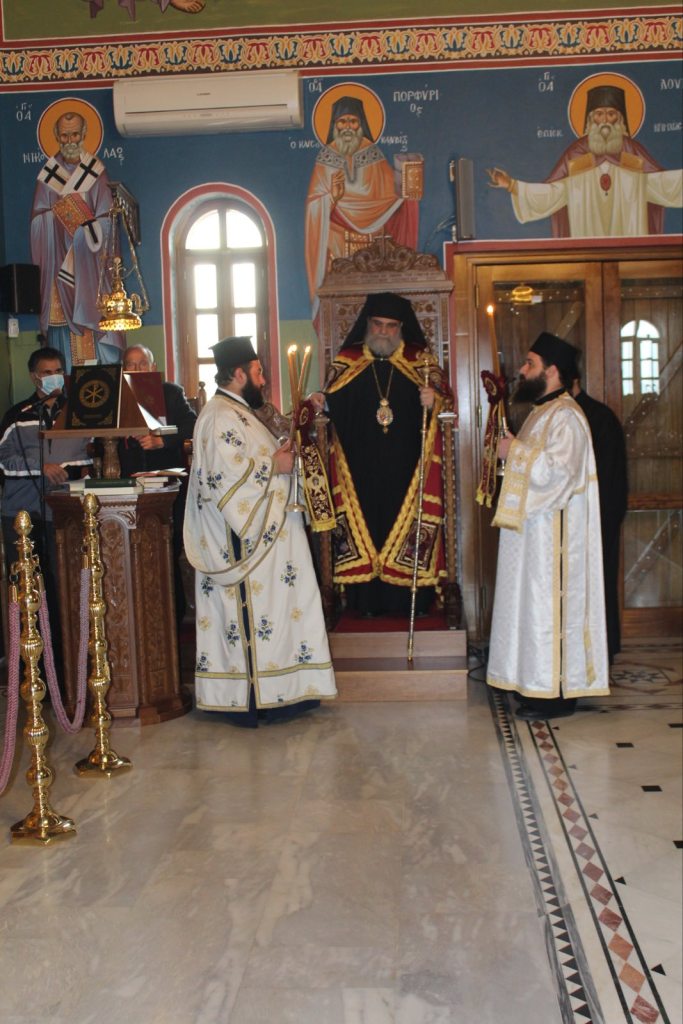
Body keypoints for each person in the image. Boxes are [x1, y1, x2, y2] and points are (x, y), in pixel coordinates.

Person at [183, 336, 337, 726]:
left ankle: (287, 690)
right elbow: (224, 480)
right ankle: (258, 697)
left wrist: (281, 452)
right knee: (260, 615)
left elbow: (250, 458)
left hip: (270, 541)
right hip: (245, 544)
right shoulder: (218, 416)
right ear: (238, 374)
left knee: (287, 610)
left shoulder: (240, 412)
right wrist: (275, 465)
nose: (263, 380)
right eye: (258, 372)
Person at [486, 332, 609, 720]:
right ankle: (534, 683)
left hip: (555, 541)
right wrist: (512, 450)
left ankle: (555, 695)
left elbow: (559, 474)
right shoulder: (542, 413)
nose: (523, 370)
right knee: (531, 611)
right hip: (534, 537)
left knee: (547, 610)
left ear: (552, 370)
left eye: (530, 363)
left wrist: (515, 452)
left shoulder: (567, 417)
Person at [311, 292, 450, 617]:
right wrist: (322, 401)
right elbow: (333, 401)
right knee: (366, 528)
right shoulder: (348, 360)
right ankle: (364, 603)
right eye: (378, 325)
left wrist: (435, 401)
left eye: (391, 326)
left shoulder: (421, 362)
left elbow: (446, 402)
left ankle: (412, 600)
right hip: (360, 471)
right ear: (367, 325)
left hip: (407, 469)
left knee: (404, 525)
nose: (384, 332)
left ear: (400, 328)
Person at [487, 84, 682, 237]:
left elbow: (661, 185)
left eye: (611, 114)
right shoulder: (576, 153)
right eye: (599, 114)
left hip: (629, 249)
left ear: (620, 119)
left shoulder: (633, 151)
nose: (605, 120)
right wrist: (512, 186)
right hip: (587, 246)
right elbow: (555, 193)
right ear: (590, 119)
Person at [0, 346, 92, 666]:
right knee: (27, 589)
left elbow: (89, 458)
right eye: (46, 372)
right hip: (21, 514)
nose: (53, 378)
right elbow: (4, 461)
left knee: (62, 586)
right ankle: (32, 664)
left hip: (64, 515)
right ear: (33, 376)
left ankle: (67, 662)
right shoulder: (17, 416)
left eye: (57, 372)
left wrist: (69, 469)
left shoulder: (79, 412)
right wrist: (42, 467)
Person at [305, 96, 418, 315]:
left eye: (353, 121)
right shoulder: (325, 158)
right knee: (344, 313)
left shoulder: (373, 155)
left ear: (361, 124)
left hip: (373, 251)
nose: (347, 126)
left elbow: (391, 198)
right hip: (339, 250)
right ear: (334, 124)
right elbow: (314, 206)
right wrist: (331, 198)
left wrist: (408, 188)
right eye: (342, 121)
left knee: (375, 312)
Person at [30, 109, 124, 372]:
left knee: (98, 332)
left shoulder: (96, 173)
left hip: (90, 269)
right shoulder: (48, 177)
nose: (69, 141)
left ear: (84, 134)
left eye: (74, 135)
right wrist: (57, 218)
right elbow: (37, 224)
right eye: (64, 135)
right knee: (62, 336)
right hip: (58, 272)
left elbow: (108, 221)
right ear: (56, 136)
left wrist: (86, 229)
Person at [119, 343, 197, 629]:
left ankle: (171, 620)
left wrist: (162, 439)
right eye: (131, 364)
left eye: (142, 363)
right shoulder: (117, 398)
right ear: (123, 369)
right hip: (126, 485)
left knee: (165, 551)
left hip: (166, 485)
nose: (137, 369)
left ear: (153, 367)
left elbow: (191, 425)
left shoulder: (171, 393)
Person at [571, 370, 628, 664]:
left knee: (598, 585)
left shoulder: (599, 417)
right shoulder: (562, 414)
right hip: (575, 519)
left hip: (597, 517)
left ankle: (601, 653)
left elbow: (608, 478)